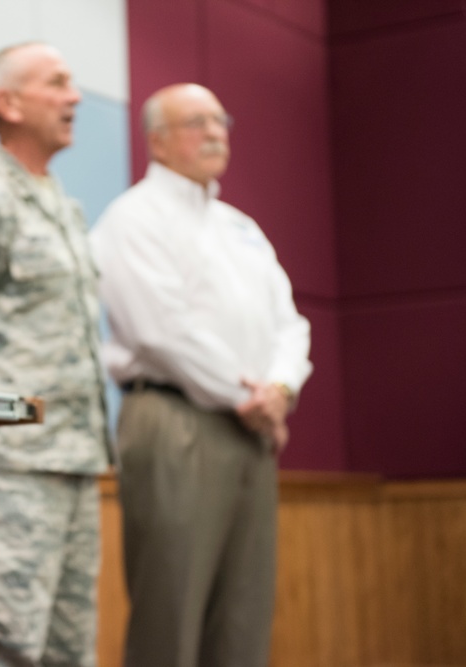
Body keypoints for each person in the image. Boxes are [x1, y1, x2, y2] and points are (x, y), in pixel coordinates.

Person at [90, 83, 313, 666]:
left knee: (244, 616)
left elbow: (291, 325)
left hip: (250, 429)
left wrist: (280, 388)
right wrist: (254, 399)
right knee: (171, 614)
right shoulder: (133, 218)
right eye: (197, 122)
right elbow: (162, 331)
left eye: (220, 120)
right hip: (175, 422)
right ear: (157, 141)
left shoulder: (241, 227)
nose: (215, 132)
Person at [0, 42, 111, 666]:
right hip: (13, 467)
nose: (74, 96)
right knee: (6, 642)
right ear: (9, 103)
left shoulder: (65, 207)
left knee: (69, 651)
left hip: (77, 459)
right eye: (56, 82)